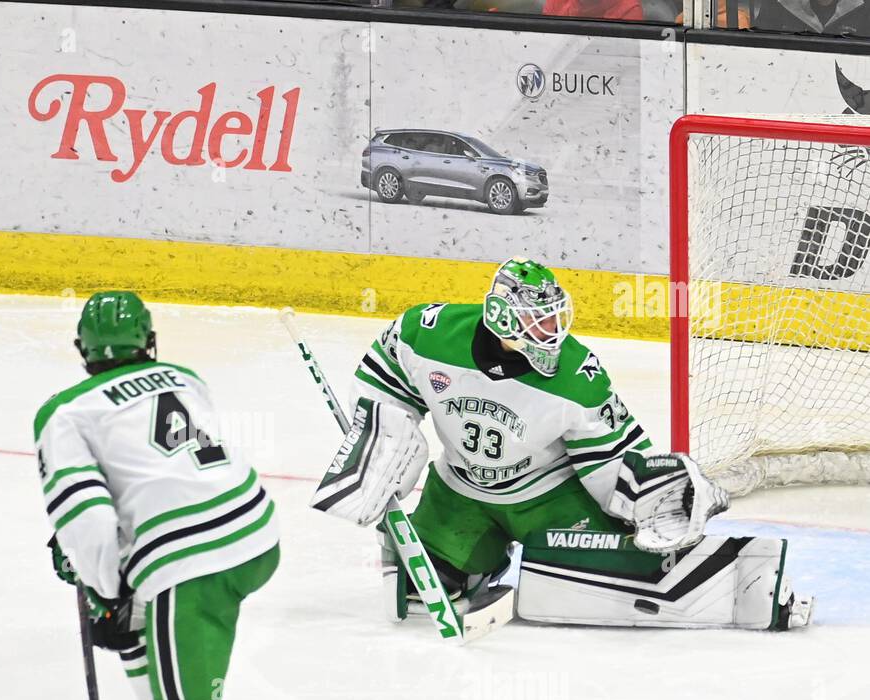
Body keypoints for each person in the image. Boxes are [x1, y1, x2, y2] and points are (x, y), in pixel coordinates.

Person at [311, 258, 814, 631]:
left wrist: (647, 493)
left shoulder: (578, 376)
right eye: (539, 321)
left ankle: (744, 585)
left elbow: (611, 460)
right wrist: (381, 436)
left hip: (550, 498)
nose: (552, 332)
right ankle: (471, 559)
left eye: (555, 319)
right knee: (415, 594)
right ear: (501, 318)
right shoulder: (426, 334)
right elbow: (386, 377)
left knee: (632, 574)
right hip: (460, 492)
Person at [36, 291, 321, 700]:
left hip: (191, 559)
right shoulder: (184, 377)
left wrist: (106, 588)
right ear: (150, 342)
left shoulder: (65, 412)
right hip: (256, 530)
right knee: (133, 610)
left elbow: (89, 517)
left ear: (82, 351)